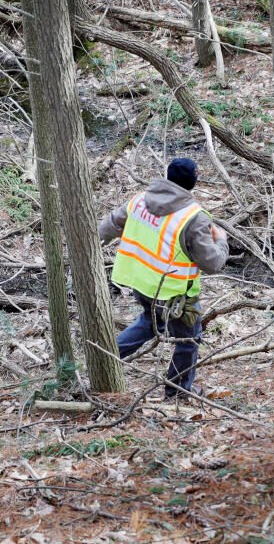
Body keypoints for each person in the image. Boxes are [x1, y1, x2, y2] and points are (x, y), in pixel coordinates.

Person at [98, 158, 229, 399]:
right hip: (175, 294)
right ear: (193, 182)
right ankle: (178, 391)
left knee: (150, 323)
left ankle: (102, 359)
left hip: (141, 283)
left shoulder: (139, 200)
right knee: (188, 341)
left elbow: (108, 226)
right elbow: (212, 263)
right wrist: (221, 240)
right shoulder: (193, 217)